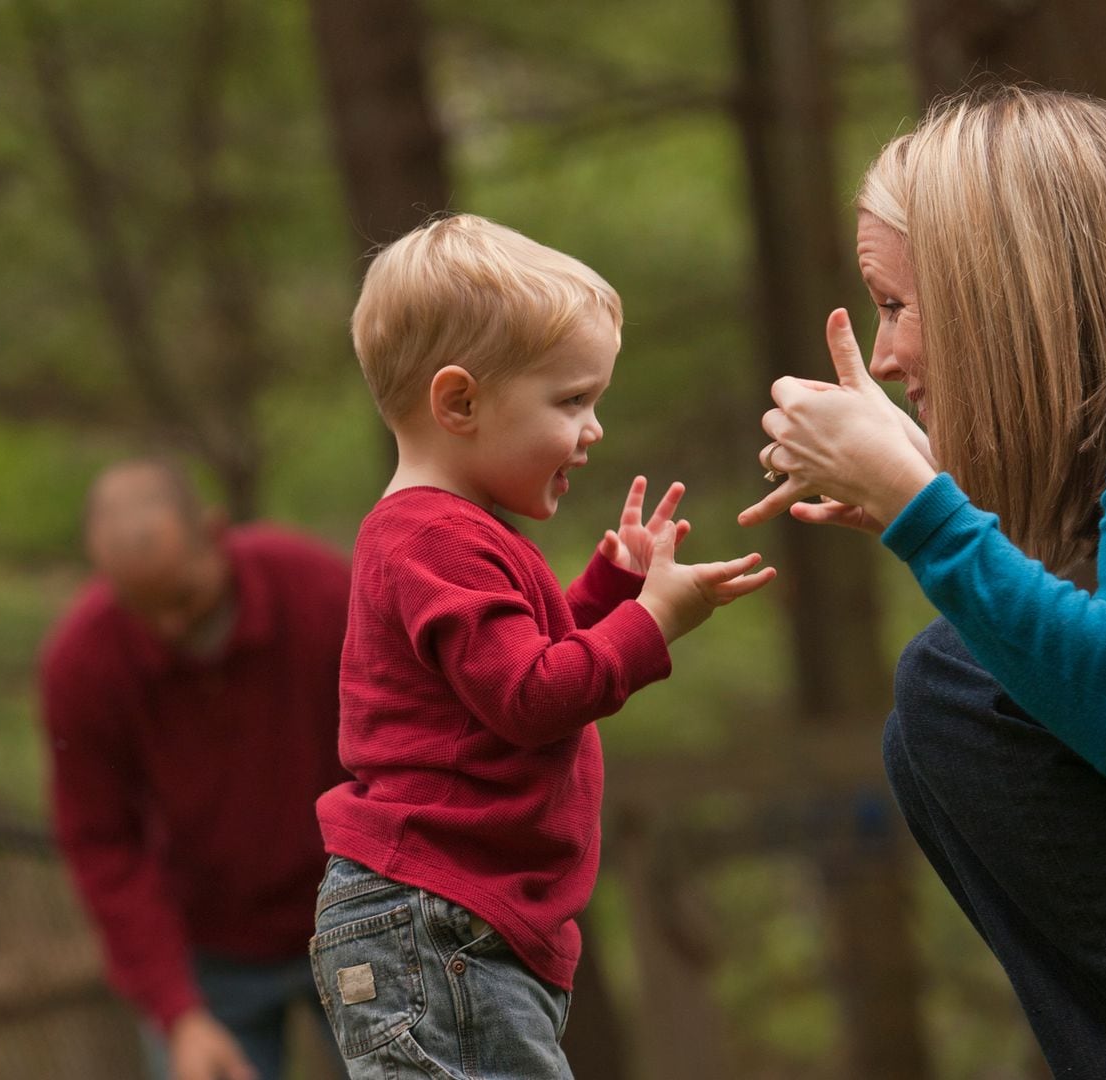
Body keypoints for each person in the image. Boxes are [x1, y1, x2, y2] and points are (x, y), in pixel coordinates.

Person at [740, 86, 1106, 1075]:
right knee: (951, 711)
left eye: (898, 304)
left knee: (964, 688)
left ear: (992, 279)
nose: (886, 352)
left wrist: (927, 512)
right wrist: (935, 502)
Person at [311, 213, 776, 1079]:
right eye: (571, 402)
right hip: (435, 918)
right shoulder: (433, 539)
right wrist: (653, 625)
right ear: (460, 403)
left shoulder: (448, 534)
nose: (593, 429)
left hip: (451, 920)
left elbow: (490, 678)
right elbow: (530, 697)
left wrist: (608, 592)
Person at [38, 459, 351, 1080]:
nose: (168, 627)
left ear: (214, 532)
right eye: (142, 608)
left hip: (356, 916)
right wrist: (176, 1013)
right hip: (209, 959)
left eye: (180, 598)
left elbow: (401, 754)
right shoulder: (81, 665)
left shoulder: (316, 590)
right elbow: (104, 847)